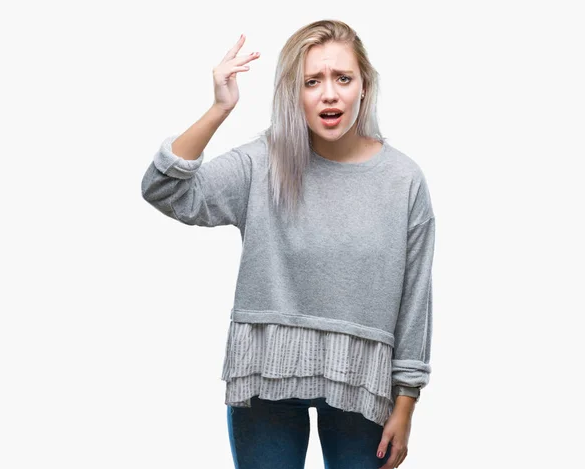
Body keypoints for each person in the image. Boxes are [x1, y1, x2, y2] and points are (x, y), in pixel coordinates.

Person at [141, 19, 436, 469]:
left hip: (362, 385)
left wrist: (406, 402)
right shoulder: (263, 163)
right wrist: (220, 108)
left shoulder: (403, 181)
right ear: (292, 92)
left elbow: (416, 299)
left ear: (364, 86)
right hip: (267, 383)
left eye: (343, 78)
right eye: (311, 81)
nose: (329, 94)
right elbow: (165, 190)